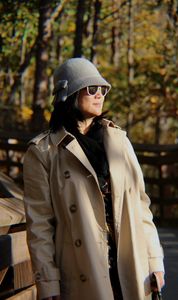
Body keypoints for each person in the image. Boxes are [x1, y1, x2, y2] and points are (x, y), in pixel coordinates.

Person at [23, 57, 165, 300]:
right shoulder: (44, 152)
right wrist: (48, 282)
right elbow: (39, 225)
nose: (100, 94)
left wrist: (154, 261)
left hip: (131, 267)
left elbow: (142, 207)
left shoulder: (119, 141)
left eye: (103, 89)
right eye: (91, 88)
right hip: (82, 269)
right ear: (69, 95)